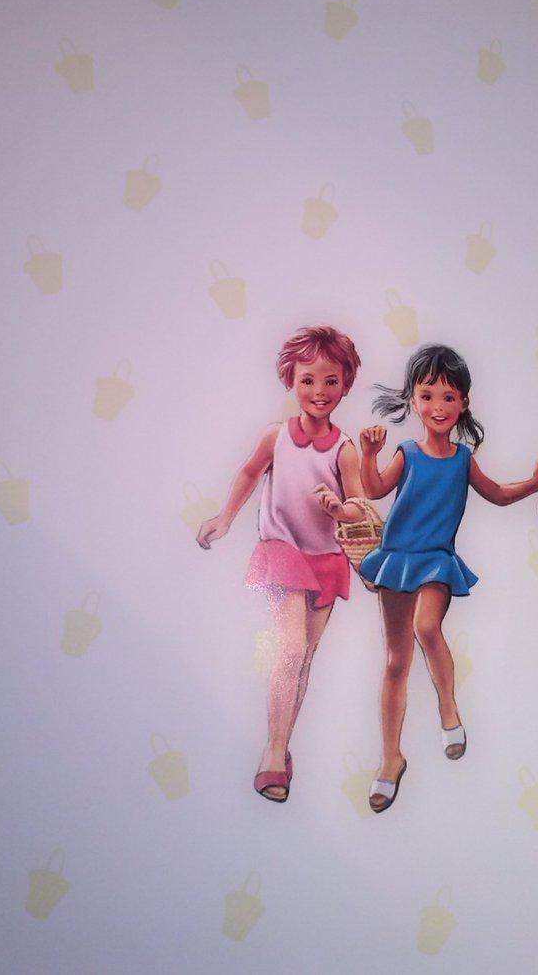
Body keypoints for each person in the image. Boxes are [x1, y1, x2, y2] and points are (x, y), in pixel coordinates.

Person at [359, 344, 538, 813]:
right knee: (395, 662)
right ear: (413, 399)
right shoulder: (407, 453)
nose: (438, 407)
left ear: (463, 402)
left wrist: (535, 483)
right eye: (427, 396)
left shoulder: (463, 459)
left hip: (437, 562)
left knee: (427, 626)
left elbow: (498, 494)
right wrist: (368, 454)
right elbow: (374, 488)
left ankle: (448, 705)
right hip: (398, 560)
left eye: (448, 397)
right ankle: (391, 758)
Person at [196, 325, 365, 802]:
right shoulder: (276, 437)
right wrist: (225, 518)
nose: (319, 391)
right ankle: (273, 754)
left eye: (331, 381)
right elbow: (250, 472)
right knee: (289, 647)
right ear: (291, 379)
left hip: (327, 558)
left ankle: (281, 744)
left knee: (305, 656)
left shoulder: (345, 450)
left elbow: (359, 507)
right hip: (282, 549)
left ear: (345, 386)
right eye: (308, 380)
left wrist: (340, 509)